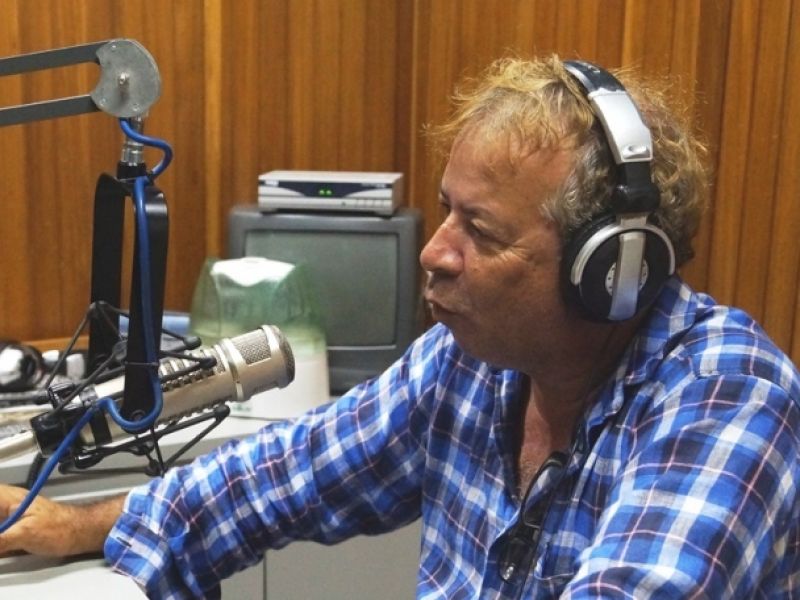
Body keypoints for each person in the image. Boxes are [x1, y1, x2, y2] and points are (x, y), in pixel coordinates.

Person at [1, 55, 799, 599]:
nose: (435, 252)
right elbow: (280, 476)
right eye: (448, 210)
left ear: (612, 270)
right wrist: (77, 525)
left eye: (481, 231)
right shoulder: (470, 363)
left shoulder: (728, 401)